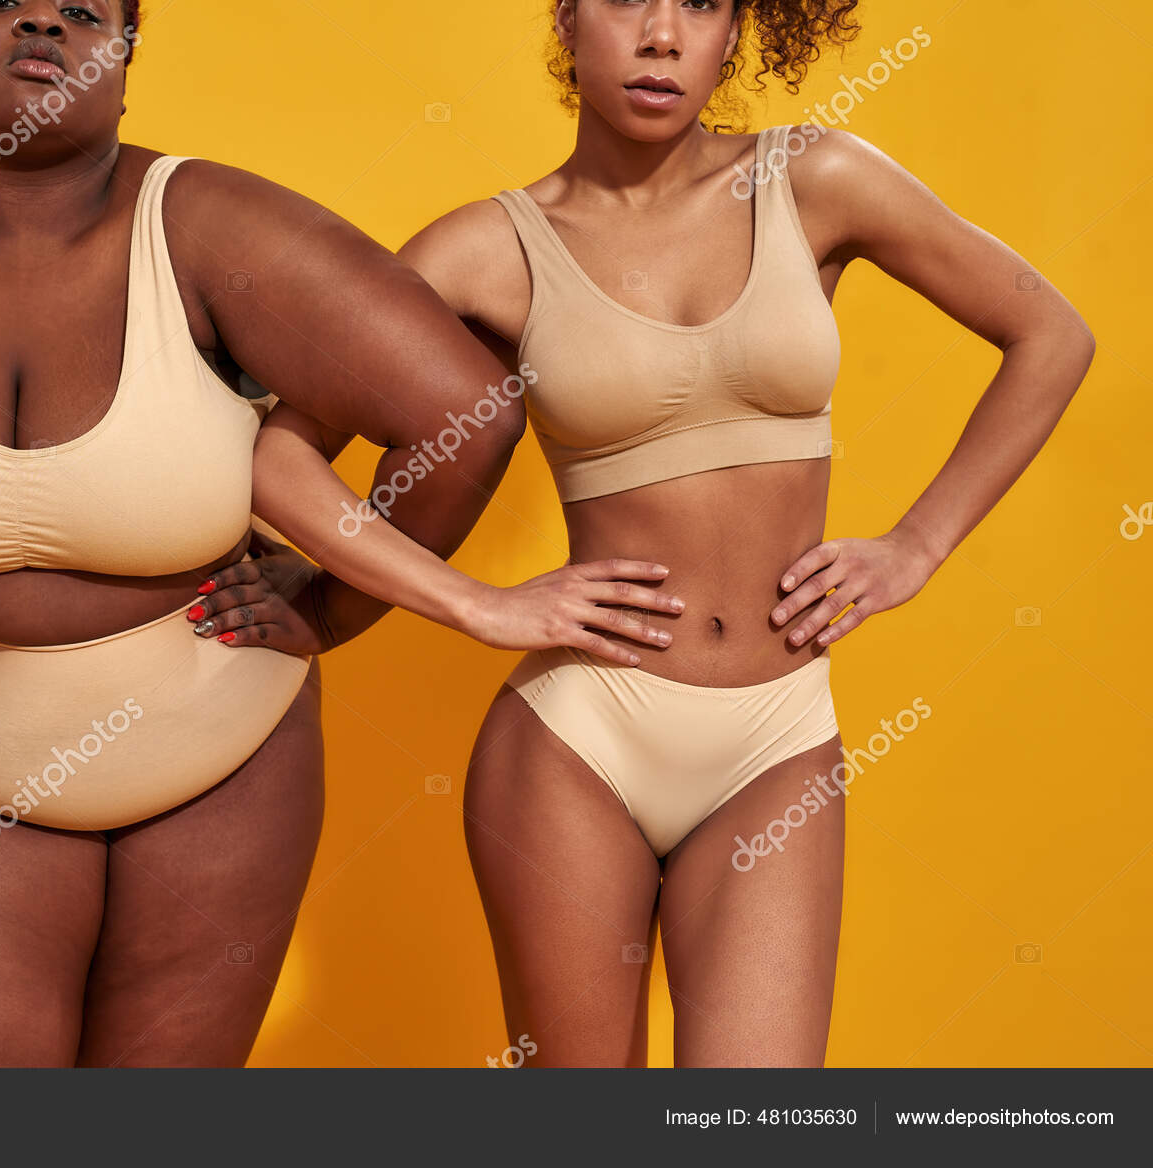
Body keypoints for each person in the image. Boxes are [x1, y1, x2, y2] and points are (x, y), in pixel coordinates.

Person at [0, 0, 678, 1067]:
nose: (47, 26)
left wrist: (332, 606)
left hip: (220, 763)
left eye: (85, 11)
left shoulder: (203, 223)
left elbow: (462, 410)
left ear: (124, 58)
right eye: (3, 0)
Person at [389, 0, 1094, 1065]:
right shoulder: (487, 248)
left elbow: (1050, 332)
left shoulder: (815, 179)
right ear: (570, 20)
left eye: (704, 3)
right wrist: (474, 602)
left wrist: (917, 544)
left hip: (776, 738)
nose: (663, 33)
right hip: (580, 738)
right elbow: (283, 452)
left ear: (739, 33)